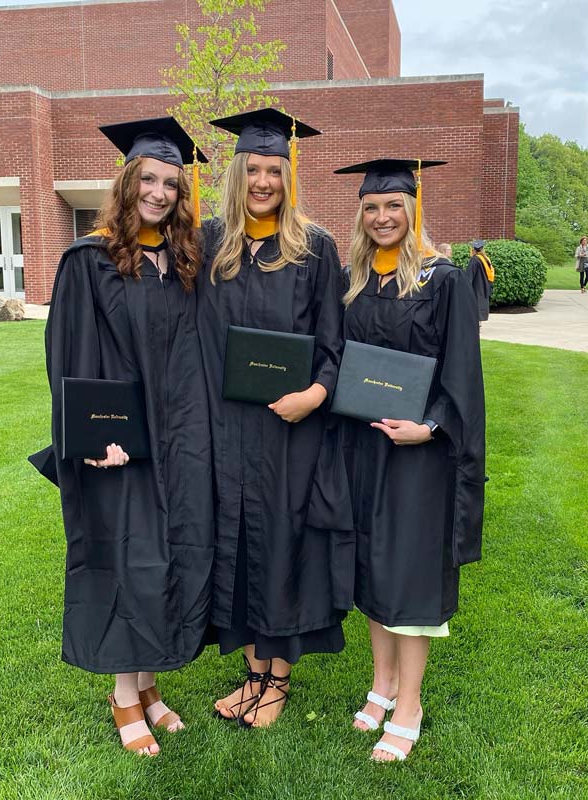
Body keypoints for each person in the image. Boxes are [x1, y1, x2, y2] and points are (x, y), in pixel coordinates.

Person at [43, 117, 213, 755]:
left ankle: (149, 686)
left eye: (171, 183)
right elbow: (70, 358)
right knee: (126, 553)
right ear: (127, 182)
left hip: (179, 438)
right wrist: (91, 435)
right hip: (118, 442)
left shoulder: (183, 263)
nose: (161, 192)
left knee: (166, 552)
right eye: (149, 178)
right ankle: (123, 697)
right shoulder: (88, 262)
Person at [197, 108, 353, 728]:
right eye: (254, 168)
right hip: (228, 430)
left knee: (283, 545)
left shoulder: (314, 248)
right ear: (238, 173)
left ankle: (278, 680)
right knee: (238, 543)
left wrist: (315, 396)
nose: (264, 180)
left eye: (275, 170)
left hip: (291, 430)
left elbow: (333, 344)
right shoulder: (211, 243)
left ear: (290, 176)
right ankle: (252, 673)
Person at [334, 158, 485, 762]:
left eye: (393, 205)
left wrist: (430, 427)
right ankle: (383, 684)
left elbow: (463, 375)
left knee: (411, 577)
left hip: (420, 455)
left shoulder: (443, 280)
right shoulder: (358, 281)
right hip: (366, 447)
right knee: (373, 565)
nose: (382, 217)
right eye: (371, 207)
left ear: (414, 208)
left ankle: (412, 705)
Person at [466, 239, 494, 321]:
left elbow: (469, 275)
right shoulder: (486, 259)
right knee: (481, 303)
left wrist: (466, 287)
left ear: (474, 250)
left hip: (476, 286)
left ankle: (476, 323)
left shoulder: (474, 260)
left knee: (476, 304)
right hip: (484, 286)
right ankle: (479, 322)